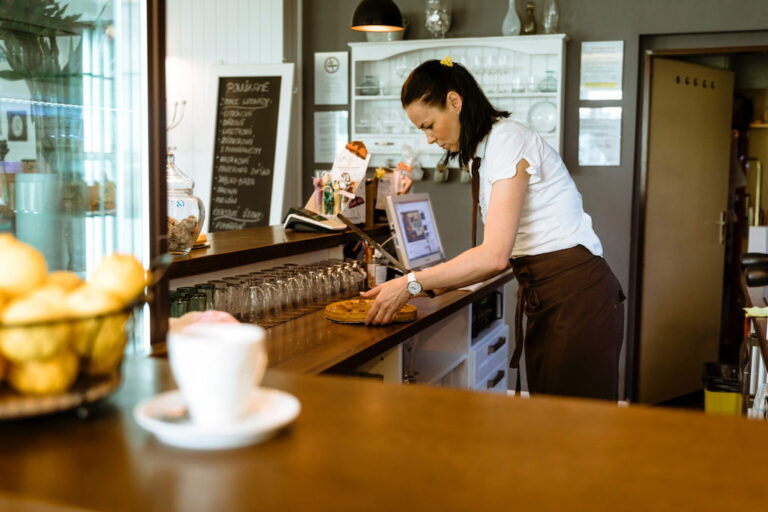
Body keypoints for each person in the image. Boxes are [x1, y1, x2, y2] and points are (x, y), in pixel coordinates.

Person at [361, 57, 625, 401]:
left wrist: (412, 284)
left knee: (575, 433)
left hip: (577, 299)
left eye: (429, 125)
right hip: (553, 298)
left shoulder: (507, 142)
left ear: (455, 102)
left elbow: (494, 256)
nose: (428, 139)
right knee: (556, 423)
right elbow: (504, 254)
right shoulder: (484, 151)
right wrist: (430, 286)